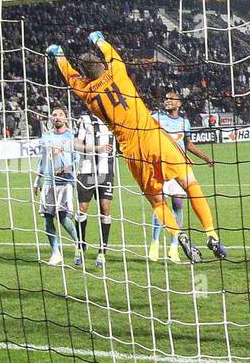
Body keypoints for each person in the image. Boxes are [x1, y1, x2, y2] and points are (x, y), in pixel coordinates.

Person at [48, 31, 226, 263]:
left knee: (157, 202)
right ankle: (211, 234)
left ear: (85, 75)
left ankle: (179, 234)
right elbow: (111, 53)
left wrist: (59, 55)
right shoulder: (118, 72)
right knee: (190, 183)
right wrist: (99, 40)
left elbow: (70, 77)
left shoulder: (88, 94)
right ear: (102, 65)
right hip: (154, 138)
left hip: (132, 152)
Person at [149, 92, 216, 262]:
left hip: (178, 169)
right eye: (166, 98)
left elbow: (188, 145)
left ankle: (174, 247)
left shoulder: (184, 122)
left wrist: (205, 157)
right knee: (159, 204)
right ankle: (155, 244)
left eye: (170, 99)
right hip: (161, 167)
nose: (167, 101)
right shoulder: (157, 118)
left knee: (178, 205)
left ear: (178, 103)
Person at [35, 107, 89, 266]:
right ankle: (56, 253)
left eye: (60, 115)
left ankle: (78, 243)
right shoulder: (46, 137)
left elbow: (78, 160)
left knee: (62, 216)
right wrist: (37, 180)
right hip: (48, 182)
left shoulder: (71, 137)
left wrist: (65, 170)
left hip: (65, 182)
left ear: (66, 118)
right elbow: (43, 159)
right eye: (54, 115)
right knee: (47, 217)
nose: (57, 117)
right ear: (51, 118)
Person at [74, 109, 116, 268]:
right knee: (82, 208)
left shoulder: (113, 119)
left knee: (105, 208)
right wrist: (97, 149)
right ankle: (80, 245)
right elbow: (77, 144)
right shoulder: (84, 119)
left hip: (106, 172)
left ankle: (102, 251)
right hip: (87, 171)